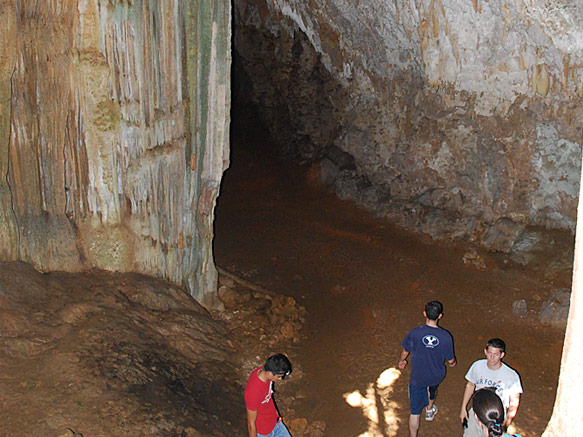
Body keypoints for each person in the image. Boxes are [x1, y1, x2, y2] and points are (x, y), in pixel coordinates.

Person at [398, 300, 456, 437]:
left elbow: (405, 350)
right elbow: (451, 359)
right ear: (440, 316)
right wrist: (453, 364)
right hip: (436, 374)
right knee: (432, 388)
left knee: (415, 412)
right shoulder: (446, 337)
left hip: (418, 378)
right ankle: (429, 410)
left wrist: (402, 360)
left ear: (424, 314)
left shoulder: (415, 333)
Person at [460, 338, 523, 437]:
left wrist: (507, 421)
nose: (492, 357)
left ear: (502, 355)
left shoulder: (511, 375)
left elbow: (514, 400)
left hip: (497, 416)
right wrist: (463, 408)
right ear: (485, 352)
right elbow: (470, 385)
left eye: (496, 354)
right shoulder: (477, 366)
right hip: (478, 412)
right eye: (489, 353)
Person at [244, 353, 292, 437]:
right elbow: (251, 423)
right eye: (279, 377)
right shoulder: (253, 392)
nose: (280, 379)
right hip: (264, 432)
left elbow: (268, 395)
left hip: (276, 423)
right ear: (270, 373)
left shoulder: (263, 371)